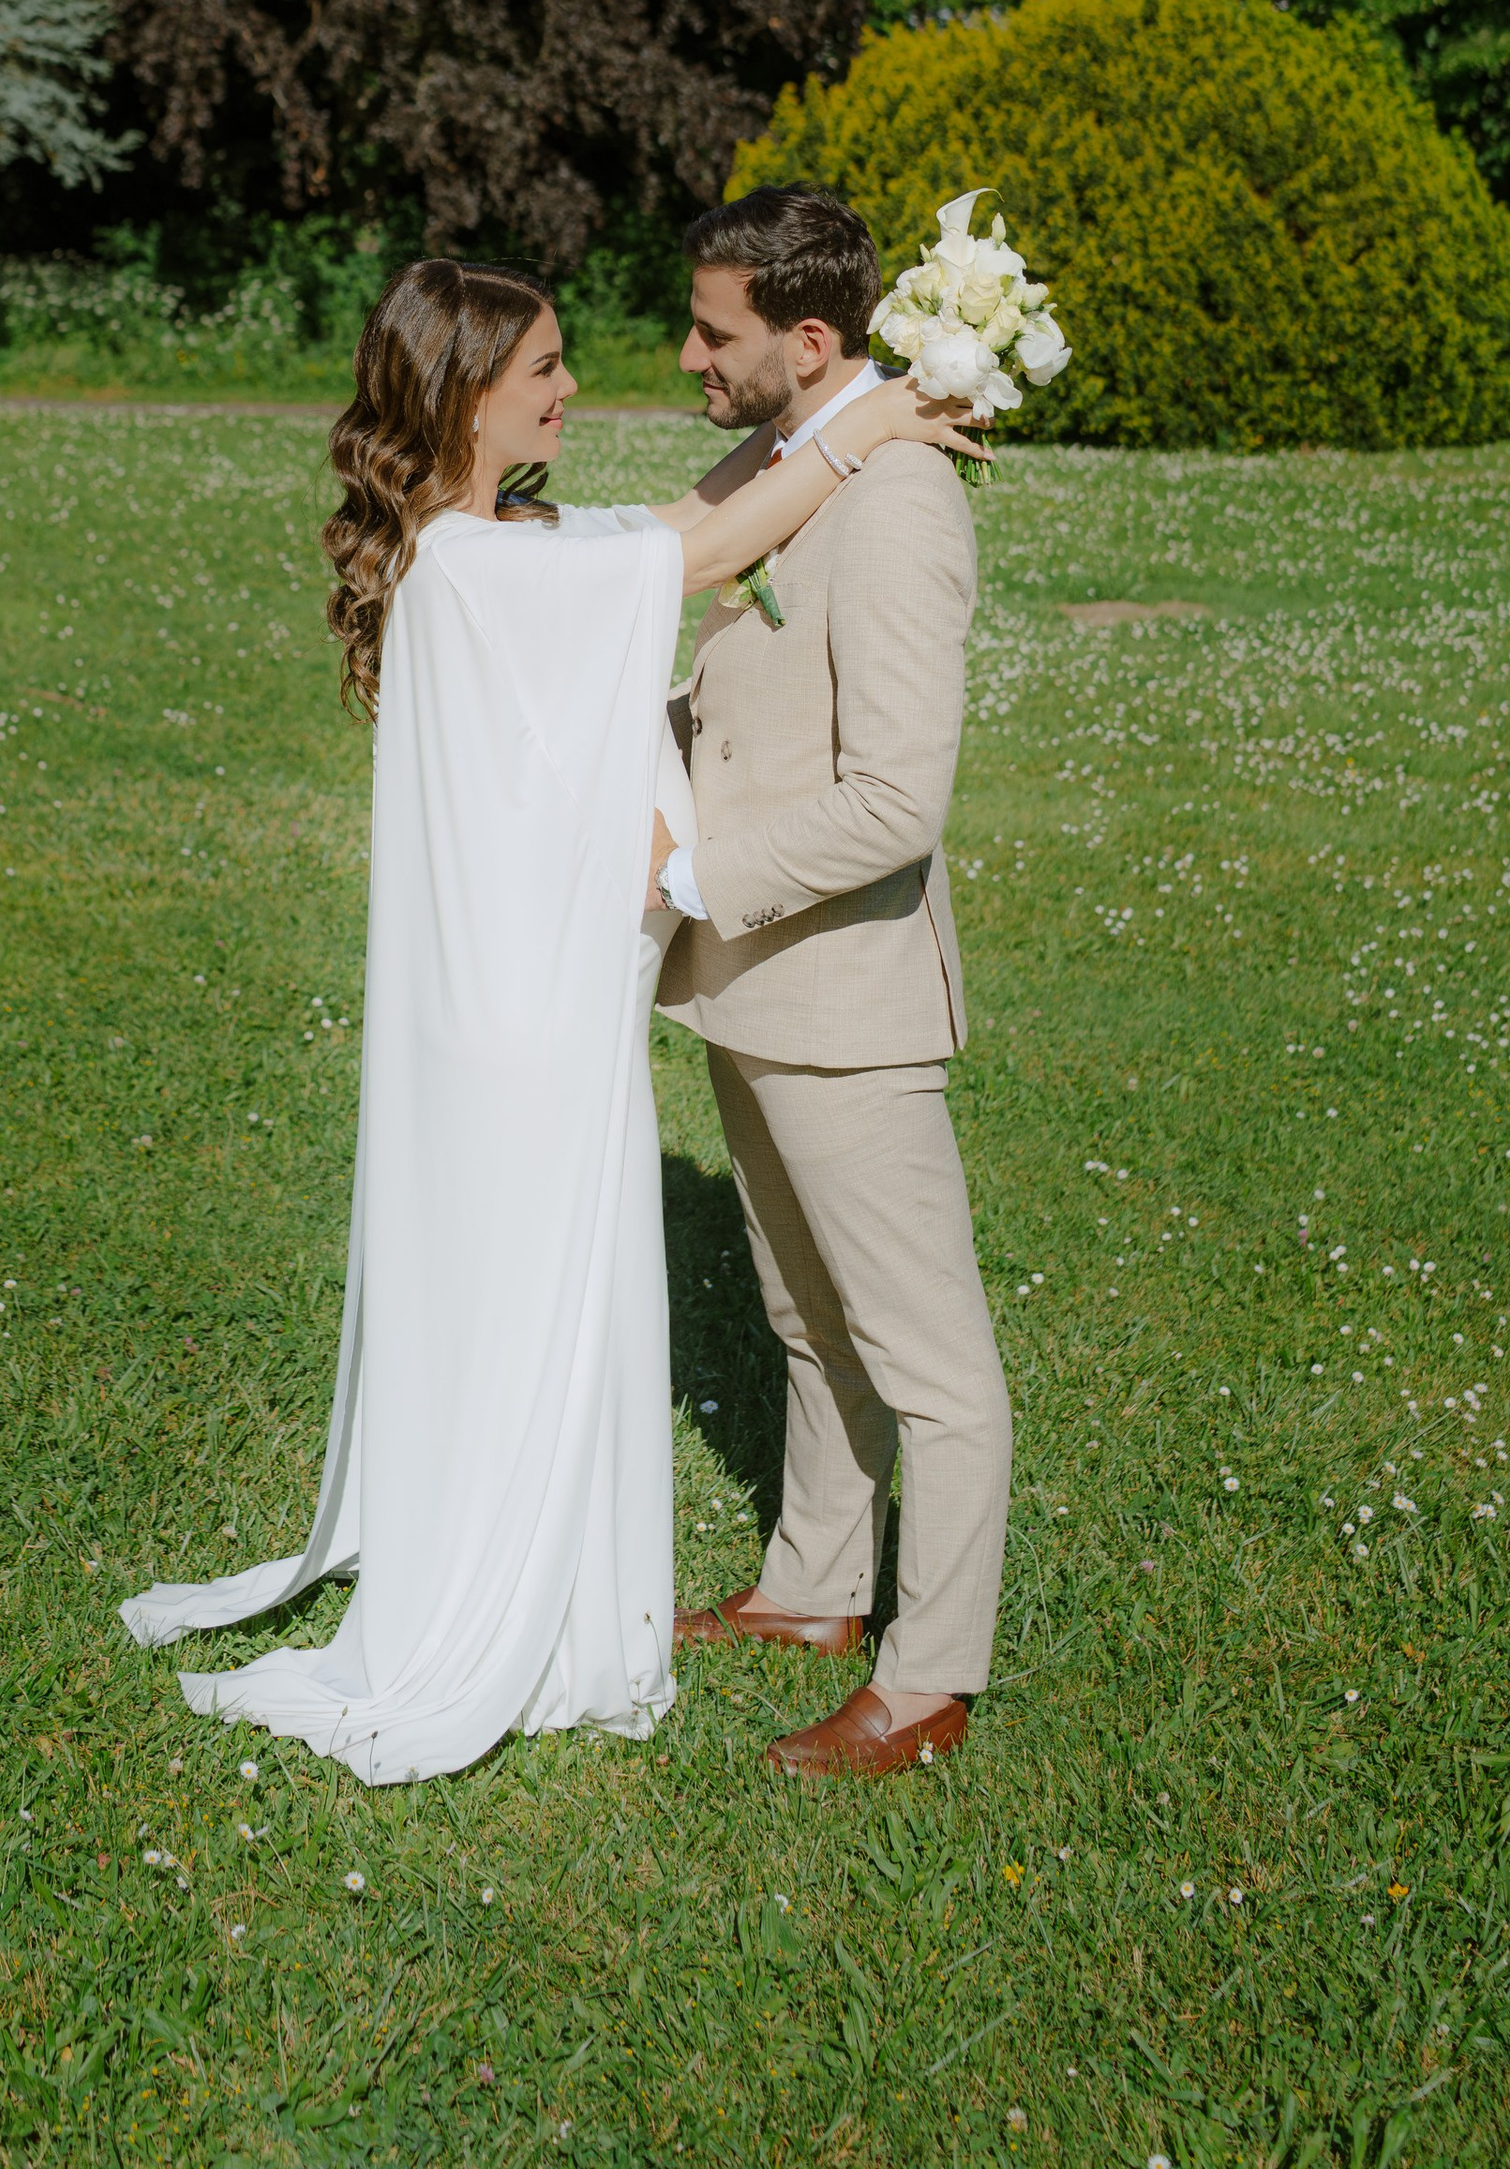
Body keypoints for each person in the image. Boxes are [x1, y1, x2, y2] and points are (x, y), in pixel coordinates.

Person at [117, 252, 976, 1785]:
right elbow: (714, 550)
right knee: (535, 1309)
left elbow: (685, 521)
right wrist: (882, 417)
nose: (577, 388)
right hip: (533, 1022)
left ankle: (598, 1574)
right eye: (546, 372)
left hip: (539, 1005)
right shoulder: (483, 567)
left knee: (544, 1303)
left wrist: (839, 416)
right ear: (468, 399)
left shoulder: (506, 542)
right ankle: (522, 1594)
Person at [653, 182, 1011, 1779]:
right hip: (756, 985)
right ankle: (811, 1590)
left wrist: (687, 880)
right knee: (804, 1316)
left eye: (710, 332)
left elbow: (893, 804)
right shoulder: (797, 460)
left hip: (846, 995)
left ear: (807, 340)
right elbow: (708, 602)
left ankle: (927, 1682)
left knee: (929, 1361)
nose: (687, 359)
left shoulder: (903, 502)